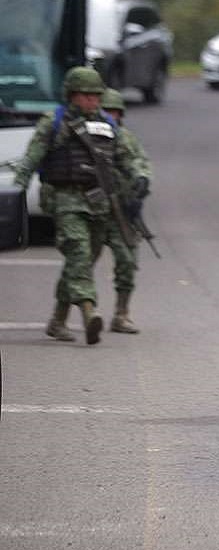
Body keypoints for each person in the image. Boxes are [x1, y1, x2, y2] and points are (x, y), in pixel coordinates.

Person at [11, 67, 149, 346]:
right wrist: (16, 190)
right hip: (65, 200)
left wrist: (139, 177)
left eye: (95, 96)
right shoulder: (54, 123)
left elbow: (126, 157)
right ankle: (89, 311)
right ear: (72, 96)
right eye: (86, 96)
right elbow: (31, 158)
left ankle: (58, 320)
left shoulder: (108, 126)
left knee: (80, 262)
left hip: (99, 204)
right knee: (78, 252)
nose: (92, 101)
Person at [98, 87, 152, 333]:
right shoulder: (85, 134)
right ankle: (63, 314)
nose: (111, 117)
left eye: (115, 112)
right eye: (106, 111)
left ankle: (121, 314)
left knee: (127, 263)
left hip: (122, 212)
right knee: (79, 263)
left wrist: (141, 181)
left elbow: (141, 162)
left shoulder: (127, 139)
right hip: (93, 210)